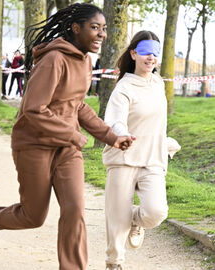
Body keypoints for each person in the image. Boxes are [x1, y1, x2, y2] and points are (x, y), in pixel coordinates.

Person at [0, 3, 134, 270]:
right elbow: (34, 109)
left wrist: (111, 136)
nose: (101, 34)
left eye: (103, 28)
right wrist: (73, 134)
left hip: (66, 150)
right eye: (94, 28)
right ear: (75, 28)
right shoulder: (54, 59)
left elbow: (76, 104)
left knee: (75, 210)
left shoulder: (86, 61)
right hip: (34, 145)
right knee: (33, 216)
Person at [102, 30, 181, 270]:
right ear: (134, 53)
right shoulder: (124, 88)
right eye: (146, 52)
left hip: (153, 158)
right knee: (116, 220)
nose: (151, 57)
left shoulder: (157, 83)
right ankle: (114, 263)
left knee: (156, 212)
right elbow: (116, 118)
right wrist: (121, 132)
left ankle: (135, 220)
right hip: (124, 157)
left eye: (155, 53)